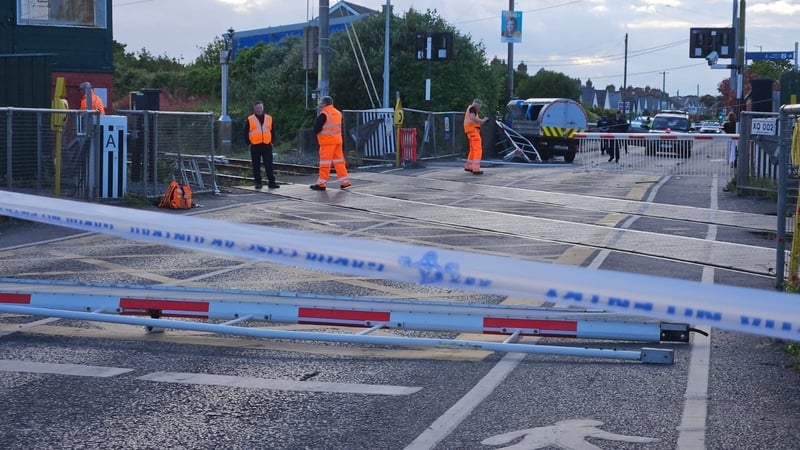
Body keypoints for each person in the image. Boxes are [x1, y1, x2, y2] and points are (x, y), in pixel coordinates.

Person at [311, 96, 351, 191]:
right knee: (340, 162)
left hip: (327, 142)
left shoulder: (324, 114)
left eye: (321, 103)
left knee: (325, 163)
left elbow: (317, 128)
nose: (320, 105)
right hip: (338, 141)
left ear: (324, 104)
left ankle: (321, 184)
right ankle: (345, 182)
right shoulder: (338, 113)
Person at [243, 100, 279, 190]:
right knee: (256, 165)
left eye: (261, 107)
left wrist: (272, 141)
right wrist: (249, 143)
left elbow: (273, 130)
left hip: (266, 144)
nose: (259, 109)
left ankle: (272, 182)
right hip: (255, 145)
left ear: (263, 108)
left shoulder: (269, 118)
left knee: (269, 164)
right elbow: (245, 132)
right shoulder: (250, 119)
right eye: (258, 108)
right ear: (254, 108)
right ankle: (258, 183)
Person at [464, 99, 488, 175]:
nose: (479, 109)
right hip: (474, 132)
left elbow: (471, 119)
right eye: (479, 107)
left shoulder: (470, 108)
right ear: (477, 105)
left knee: (473, 150)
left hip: (470, 132)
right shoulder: (472, 108)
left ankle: (469, 167)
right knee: (478, 150)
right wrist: (482, 121)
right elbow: (472, 118)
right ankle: (475, 169)